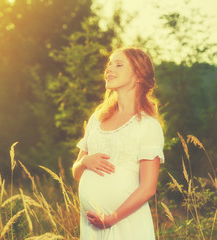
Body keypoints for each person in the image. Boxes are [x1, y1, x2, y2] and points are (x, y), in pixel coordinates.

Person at [72, 47, 165, 240]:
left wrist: (112, 218)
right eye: (109, 64)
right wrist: (84, 162)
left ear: (138, 76)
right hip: (92, 227)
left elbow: (148, 188)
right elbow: (76, 173)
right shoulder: (96, 119)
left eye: (119, 64)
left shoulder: (148, 125)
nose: (109, 68)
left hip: (127, 226)